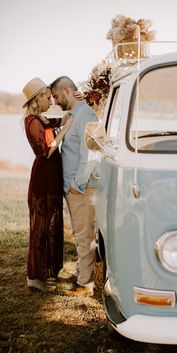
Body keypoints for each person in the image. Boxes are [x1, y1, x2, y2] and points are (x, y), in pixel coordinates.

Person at [22, 77, 73, 292]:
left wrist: (74, 105)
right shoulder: (33, 122)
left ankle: (47, 273)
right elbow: (45, 151)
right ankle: (35, 277)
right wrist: (65, 130)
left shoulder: (41, 119)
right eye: (47, 97)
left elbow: (60, 121)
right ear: (37, 99)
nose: (50, 102)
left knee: (50, 225)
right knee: (41, 228)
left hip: (51, 177)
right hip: (43, 179)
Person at [50, 76, 98, 296]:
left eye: (57, 96)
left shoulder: (85, 115)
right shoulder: (74, 114)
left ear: (68, 90)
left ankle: (85, 284)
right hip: (74, 188)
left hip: (81, 188)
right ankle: (82, 272)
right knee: (81, 233)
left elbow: (91, 153)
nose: (55, 102)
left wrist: (76, 185)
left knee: (84, 235)